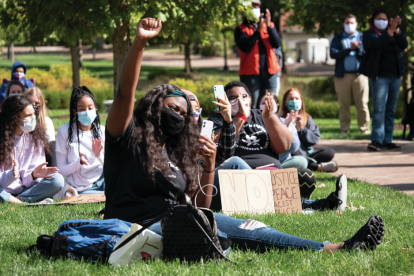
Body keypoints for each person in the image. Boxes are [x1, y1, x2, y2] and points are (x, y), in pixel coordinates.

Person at [103, 18, 385, 254]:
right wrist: (139, 42)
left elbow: (203, 209)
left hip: (182, 222)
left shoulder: (178, 155)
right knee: (192, 224)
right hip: (136, 228)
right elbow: (124, 93)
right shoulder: (126, 138)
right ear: (154, 106)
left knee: (250, 226)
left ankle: (331, 248)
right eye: (173, 108)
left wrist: (209, 165)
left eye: (185, 113)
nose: (180, 115)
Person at [209, 81, 292, 169]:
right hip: (236, 172)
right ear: (225, 101)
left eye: (243, 96)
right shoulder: (217, 119)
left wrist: (270, 116)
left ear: (250, 99)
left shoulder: (263, 115)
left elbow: (284, 147)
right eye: (233, 98)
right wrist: (241, 117)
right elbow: (216, 145)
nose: (239, 100)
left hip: (269, 169)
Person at [359, 8, 408, 151]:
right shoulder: (369, 34)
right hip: (380, 77)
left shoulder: (394, 34)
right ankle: (376, 140)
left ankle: (387, 140)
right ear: (373, 20)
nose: (382, 21)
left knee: (390, 110)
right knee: (379, 109)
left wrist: (396, 30)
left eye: (385, 19)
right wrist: (390, 30)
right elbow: (375, 44)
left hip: (395, 76)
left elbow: (404, 45)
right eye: (379, 18)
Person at [0, 96, 64, 203]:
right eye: (28, 115)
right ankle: (21, 201)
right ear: (14, 118)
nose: (33, 118)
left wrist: (33, 175)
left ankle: (18, 200)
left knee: (57, 180)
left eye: (34, 114)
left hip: (27, 189)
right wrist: (10, 175)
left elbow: (29, 180)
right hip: (4, 190)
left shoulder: (35, 138)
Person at [54, 86, 105, 199]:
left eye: (90, 108)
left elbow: (111, 168)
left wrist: (98, 155)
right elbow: (61, 171)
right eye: (81, 109)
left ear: (95, 108)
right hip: (81, 188)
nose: (87, 112)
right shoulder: (64, 132)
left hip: (102, 183)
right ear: (75, 112)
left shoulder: (102, 131)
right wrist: (78, 163)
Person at [235, 0, 281, 108]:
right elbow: (245, 47)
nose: (255, 9)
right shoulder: (240, 29)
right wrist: (257, 31)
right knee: (252, 105)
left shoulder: (270, 26)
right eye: (253, 6)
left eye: (257, 6)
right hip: (250, 75)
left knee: (270, 105)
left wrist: (268, 26)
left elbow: (277, 43)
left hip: (270, 73)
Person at [330, 14, 370, 135]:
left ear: (356, 24)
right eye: (347, 23)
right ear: (344, 24)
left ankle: (365, 129)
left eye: (352, 23)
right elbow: (333, 54)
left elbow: (367, 54)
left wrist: (356, 48)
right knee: (344, 105)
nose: (349, 25)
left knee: (362, 103)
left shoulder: (362, 37)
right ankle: (344, 130)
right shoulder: (337, 38)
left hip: (360, 75)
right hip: (342, 76)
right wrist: (349, 50)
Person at [280, 88, 338, 172]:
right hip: (292, 154)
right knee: (292, 150)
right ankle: (316, 167)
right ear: (285, 103)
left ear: (301, 101)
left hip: (308, 154)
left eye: (297, 99)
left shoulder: (306, 118)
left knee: (330, 152)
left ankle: (307, 164)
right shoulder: (281, 118)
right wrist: (290, 128)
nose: (294, 101)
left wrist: (302, 130)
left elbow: (315, 138)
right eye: (291, 99)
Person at [258, 90, 308, 171]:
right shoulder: (254, 122)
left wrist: (287, 129)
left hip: (281, 163)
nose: (267, 105)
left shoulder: (284, 121)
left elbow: (294, 148)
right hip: (260, 163)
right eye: (264, 103)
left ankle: (274, 171)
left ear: (277, 106)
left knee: (302, 161)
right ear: (258, 106)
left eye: (271, 103)